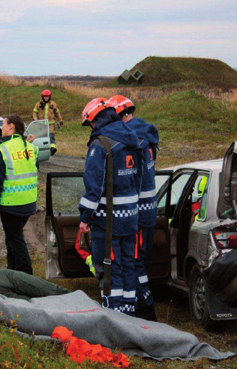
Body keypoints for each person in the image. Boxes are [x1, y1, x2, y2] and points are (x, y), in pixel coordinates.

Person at [78, 97, 142, 315]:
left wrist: (85, 218)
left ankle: (113, 315)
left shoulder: (101, 145)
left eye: (91, 124)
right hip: (131, 217)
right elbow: (139, 179)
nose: (91, 128)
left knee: (108, 265)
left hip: (108, 219)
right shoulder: (132, 141)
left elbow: (93, 187)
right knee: (128, 263)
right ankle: (129, 311)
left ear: (98, 119)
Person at [109, 95, 159, 321]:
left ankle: (146, 310)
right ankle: (143, 306)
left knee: (134, 263)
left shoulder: (133, 140)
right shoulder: (146, 136)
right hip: (149, 211)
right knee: (139, 261)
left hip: (136, 212)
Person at [0, 114, 39, 275]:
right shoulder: (31, 148)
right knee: (12, 237)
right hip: (29, 202)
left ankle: (25, 272)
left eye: (3, 124)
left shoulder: (2, 150)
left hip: (11, 203)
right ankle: (13, 270)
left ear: (11, 127)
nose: (1, 128)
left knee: (15, 238)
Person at [32, 89, 63, 156]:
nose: (46, 98)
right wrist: (36, 120)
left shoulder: (53, 104)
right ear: (42, 97)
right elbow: (34, 112)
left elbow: (57, 113)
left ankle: (52, 148)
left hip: (50, 124)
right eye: (45, 97)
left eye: (48, 97)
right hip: (41, 124)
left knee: (51, 136)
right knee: (42, 137)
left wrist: (60, 120)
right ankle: (41, 150)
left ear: (50, 97)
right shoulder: (38, 104)